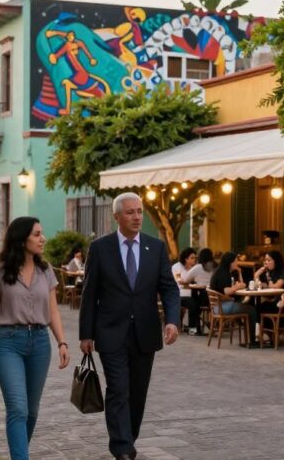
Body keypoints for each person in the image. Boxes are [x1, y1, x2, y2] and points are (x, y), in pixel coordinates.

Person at [79, 192, 180, 460]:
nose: (137, 217)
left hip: (144, 333)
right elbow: (89, 294)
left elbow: (169, 288)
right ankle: (122, 448)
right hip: (111, 332)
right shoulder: (100, 249)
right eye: (130, 212)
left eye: (139, 211)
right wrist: (85, 334)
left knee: (137, 393)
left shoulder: (155, 247)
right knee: (118, 389)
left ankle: (128, 436)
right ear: (116, 217)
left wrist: (172, 320)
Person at [0, 216, 69, 460]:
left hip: (39, 343)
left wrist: (61, 341)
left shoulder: (46, 270)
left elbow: (53, 311)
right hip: (8, 343)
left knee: (32, 411)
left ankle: (19, 454)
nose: (43, 239)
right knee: (18, 408)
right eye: (37, 234)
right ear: (21, 239)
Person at [209, 251, 260, 347]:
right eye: (235, 261)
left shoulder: (221, 271)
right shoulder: (223, 273)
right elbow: (227, 291)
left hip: (219, 306)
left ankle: (251, 338)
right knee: (252, 310)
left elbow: (241, 284)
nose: (237, 263)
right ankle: (252, 341)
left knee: (248, 306)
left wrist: (239, 272)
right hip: (223, 307)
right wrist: (237, 287)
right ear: (230, 262)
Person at [171, 247, 204, 336]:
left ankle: (196, 329)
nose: (194, 260)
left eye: (195, 258)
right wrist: (189, 282)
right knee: (193, 304)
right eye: (192, 258)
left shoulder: (194, 268)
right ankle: (192, 330)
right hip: (179, 294)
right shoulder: (176, 267)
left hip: (192, 293)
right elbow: (179, 280)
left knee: (200, 302)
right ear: (186, 259)